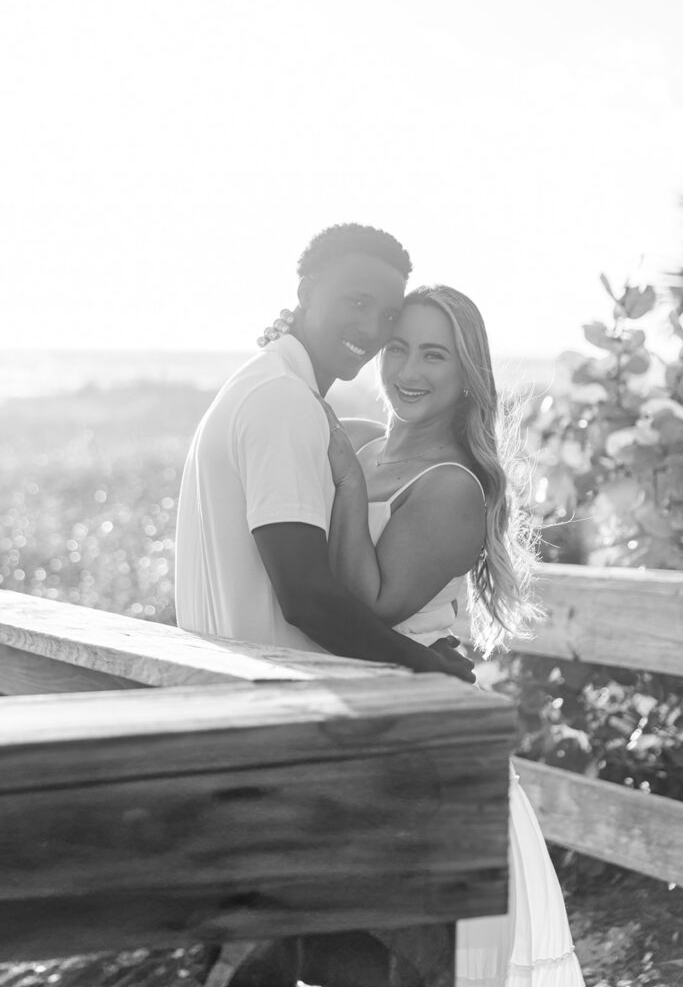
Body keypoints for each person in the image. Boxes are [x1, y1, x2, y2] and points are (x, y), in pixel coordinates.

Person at [175, 226, 475, 987]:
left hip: (342, 725)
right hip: (300, 721)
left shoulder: (299, 406)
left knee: (365, 954)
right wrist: (429, 670)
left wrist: (428, 673)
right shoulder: (313, 417)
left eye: (394, 322)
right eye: (360, 309)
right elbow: (309, 592)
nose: (377, 339)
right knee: (333, 952)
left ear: (466, 373)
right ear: (303, 295)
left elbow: (339, 589)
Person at [306, 284, 586, 986]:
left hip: (421, 752)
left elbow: (370, 602)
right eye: (397, 347)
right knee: (341, 956)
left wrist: (342, 486)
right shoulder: (366, 448)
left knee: (420, 965)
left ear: (466, 377)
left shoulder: (450, 485)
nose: (409, 369)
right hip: (346, 736)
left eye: (435, 354)